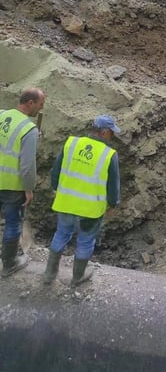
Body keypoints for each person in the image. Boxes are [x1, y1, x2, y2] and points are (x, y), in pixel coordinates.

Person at [43, 114, 121, 287]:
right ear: (104, 132)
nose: (113, 136)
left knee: (61, 235)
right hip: (90, 210)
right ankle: (77, 278)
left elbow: (56, 170)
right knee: (85, 241)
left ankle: (49, 275)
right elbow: (113, 186)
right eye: (112, 133)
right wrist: (113, 204)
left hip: (66, 203)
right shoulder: (109, 155)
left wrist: (56, 189)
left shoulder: (71, 144)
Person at [0, 87, 46, 277]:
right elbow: (27, 166)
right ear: (30, 103)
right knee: (12, 223)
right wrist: (28, 189)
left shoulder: (2, 115)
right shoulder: (29, 129)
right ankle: (9, 263)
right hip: (12, 185)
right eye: (40, 105)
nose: (41, 110)